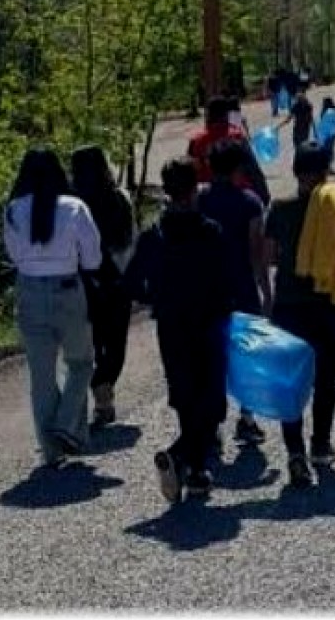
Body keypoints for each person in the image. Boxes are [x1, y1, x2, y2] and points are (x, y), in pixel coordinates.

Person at [124, 157, 233, 501]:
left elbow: (129, 284)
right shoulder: (210, 231)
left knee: (185, 397)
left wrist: (154, 296)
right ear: (194, 188)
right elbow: (223, 279)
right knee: (212, 400)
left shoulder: (153, 236)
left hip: (171, 326)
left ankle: (195, 468)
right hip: (209, 322)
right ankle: (184, 459)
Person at [263, 143, 335, 486]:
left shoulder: (280, 207)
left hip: (289, 305)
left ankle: (295, 453)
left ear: (295, 171)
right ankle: (321, 444)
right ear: (325, 171)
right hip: (327, 306)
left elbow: (270, 256)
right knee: (326, 379)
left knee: (291, 381)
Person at [3, 148, 102, 467]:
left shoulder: (14, 210)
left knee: (41, 376)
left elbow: (15, 257)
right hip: (67, 290)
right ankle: (67, 424)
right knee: (81, 363)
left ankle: (51, 450)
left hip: (29, 291)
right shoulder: (74, 208)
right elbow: (93, 258)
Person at [198, 140, 272, 446]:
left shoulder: (199, 200)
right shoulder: (250, 202)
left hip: (207, 290)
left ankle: (212, 423)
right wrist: (266, 289)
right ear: (239, 168)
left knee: (211, 357)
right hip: (242, 287)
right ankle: (247, 419)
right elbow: (257, 252)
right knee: (246, 356)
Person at [70, 145, 137, 427]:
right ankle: (103, 390)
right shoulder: (119, 198)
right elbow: (130, 238)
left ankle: (100, 397)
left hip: (81, 281)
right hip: (116, 279)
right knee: (116, 344)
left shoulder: (70, 203)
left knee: (92, 343)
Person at [188, 95, 271, 204]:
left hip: (208, 198)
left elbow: (190, 173)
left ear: (208, 115)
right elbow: (252, 168)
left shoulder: (196, 142)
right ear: (226, 115)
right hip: (240, 195)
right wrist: (264, 194)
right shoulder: (237, 137)